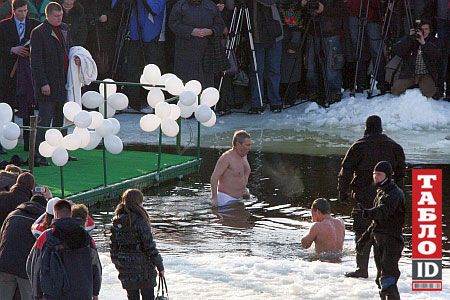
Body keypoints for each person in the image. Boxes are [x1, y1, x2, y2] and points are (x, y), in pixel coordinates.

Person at [338, 115, 406, 278]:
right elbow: (401, 174)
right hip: (388, 198)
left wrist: (343, 192)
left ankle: (362, 269)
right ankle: (383, 271)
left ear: (366, 128)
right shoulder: (395, 147)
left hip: (364, 198)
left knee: (362, 232)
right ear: (381, 128)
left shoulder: (358, 146)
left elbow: (345, 172)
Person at [30, 1, 79, 166]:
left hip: (63, 82)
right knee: (45, 121)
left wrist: (77, 58)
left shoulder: (64, 28)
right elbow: (36, 61)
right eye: (56, 16)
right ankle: (38, 154)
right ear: (48, 15)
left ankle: (61, 151)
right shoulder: (38, 32)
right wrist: (43, 83)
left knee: (61, 119)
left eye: (61, 16)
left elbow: (71, 48)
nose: (59, 19)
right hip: (48, 84)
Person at [27, 199, 102, 300]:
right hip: (82, 292)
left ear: (56, 214)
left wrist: (37, 294)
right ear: (70, 213)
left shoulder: (46, 237)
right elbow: (96, 267)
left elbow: (34, 266)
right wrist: (95, 293)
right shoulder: (86, 237)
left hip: (53, 293)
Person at [356, 161, 405, 300]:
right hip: (380, 242)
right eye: (374, 174)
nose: (375, 177)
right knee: (381, 279)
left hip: (392, 242)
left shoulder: (395, 193)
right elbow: (375, 224)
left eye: (379, 174)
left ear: (387, 176)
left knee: (388, 280)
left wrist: (367, 212)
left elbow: (383, 211)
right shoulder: (380, 192)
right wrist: (363, 240)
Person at [0, 0, 41, 151]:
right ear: (13, 10)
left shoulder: (35, 25)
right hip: (8, 73)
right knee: (6, 107)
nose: (23, 14)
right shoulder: (3, 26)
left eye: (25, 11)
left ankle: (28, 143)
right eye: (20, 11)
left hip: (27, 74)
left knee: (28, 105)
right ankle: (4, 141)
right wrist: (12, 49)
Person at [110, 189, 164, 300]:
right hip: (144, 269)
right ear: (138, 202)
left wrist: (119, 265)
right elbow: (150, 246)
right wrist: (160, 266)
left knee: (132, 297)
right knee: (148, 296)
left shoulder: (117, 221)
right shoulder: (141, 220)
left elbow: (113, 248)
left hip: (126, 268)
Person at [169, 0, 225, 89]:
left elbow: (220, 25)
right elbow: (173, 24)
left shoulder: (210, 5)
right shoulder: (180, 5)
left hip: (207, 52)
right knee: (186, 85)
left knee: (206, 85)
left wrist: (211, 31)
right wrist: (191, 31)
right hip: (185, 52)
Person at [0, 194, 46, 300]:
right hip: (25, 269)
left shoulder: (13, 214)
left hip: (4, 263)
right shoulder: (40, 223)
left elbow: (2, 236)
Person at [124, 0, 166, 112]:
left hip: (153, 37)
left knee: (152, 70)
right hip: (135, 35)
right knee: (133, 69)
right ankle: (133, 103)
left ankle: (153, 103)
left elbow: (155, 9)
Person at [302, 0, 345, 106]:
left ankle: (334, 93)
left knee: (332, 67)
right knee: (311, 66)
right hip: (312, 30)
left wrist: (324, 9)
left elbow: (342, 9)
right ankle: (314, 93)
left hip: (331, 31)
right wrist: (303, 5)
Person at [245, 0, 284, 113]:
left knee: (273, 69)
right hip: (256, 36)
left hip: (274, 34)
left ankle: (275, 101)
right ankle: (257, 102)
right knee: (257, 71)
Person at [390, 19, 441, 98]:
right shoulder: (411, 40)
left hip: (425, 74)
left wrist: (424, 43)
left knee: (429, 93)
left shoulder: (434, 41)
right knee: (395, 90)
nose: (424, 32)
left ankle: (419, 85)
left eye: (426, 29)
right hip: (410, 74)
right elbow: (397, 51)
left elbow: (436, 56)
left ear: (430, 30)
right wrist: (409, 38)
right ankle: (414, 86)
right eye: (422, 29)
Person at [346, 0, 388, 93]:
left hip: (372, 14)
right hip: (354, 12)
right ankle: (361, 83)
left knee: (376, 50)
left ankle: (381, 82)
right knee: (358, 50)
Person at [210, 130, 252, 207]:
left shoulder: (244, 155)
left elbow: (244, 174)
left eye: (250, 145)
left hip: (240, 198)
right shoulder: (226, 157)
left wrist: (244, 188)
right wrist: (214, 198)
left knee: (244, 218)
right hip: (226, 199)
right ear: (238, 144)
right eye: (247, 145)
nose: (249, 148)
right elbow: (214, 178)